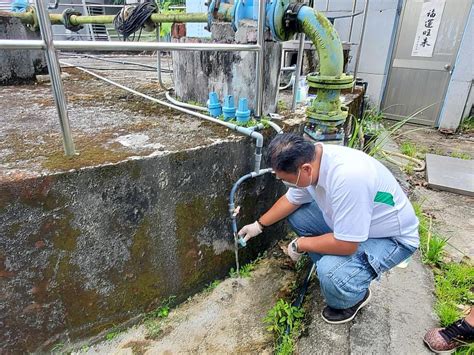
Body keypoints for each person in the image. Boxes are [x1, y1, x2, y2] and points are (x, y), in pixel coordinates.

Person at [238, 133, 419, 324]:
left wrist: (301, 244)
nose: (284, 183)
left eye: (285, 179)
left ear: (305, 169)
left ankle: (352, 296)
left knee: (331, 273)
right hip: (358, 226)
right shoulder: (313, 159)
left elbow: (347, 245)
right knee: (299, 215)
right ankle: (336, 262)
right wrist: (258, 225)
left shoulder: (349, 178)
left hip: (390, 239)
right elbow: (291, 200)